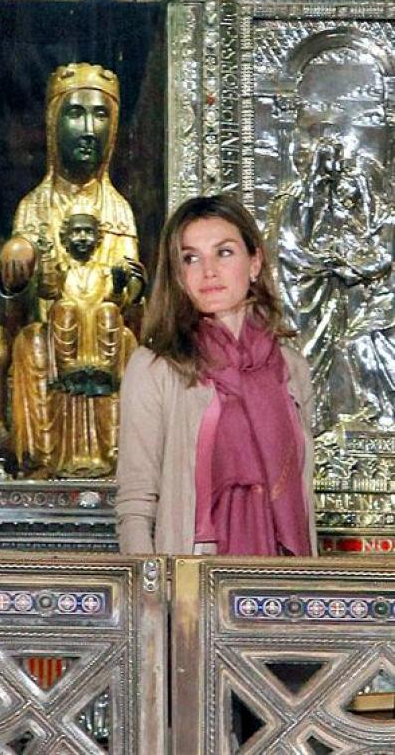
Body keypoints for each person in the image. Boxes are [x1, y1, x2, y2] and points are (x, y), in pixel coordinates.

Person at [116, 193, 316, 556]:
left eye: (224, 252)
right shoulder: (156, 366)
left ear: (254, 262)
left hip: (283, 575)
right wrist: (151, 596)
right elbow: (136, 501)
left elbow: (303, 495)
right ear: (178, 274)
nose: (208, 271)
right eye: (191, 258)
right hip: (194, 579)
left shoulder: (291, 367)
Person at [0, 62, 144, 478]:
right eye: (75, 113)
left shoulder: (119, 211)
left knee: (121, 336)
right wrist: (19, 270)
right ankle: (40, 460)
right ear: (53, 121)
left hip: (104, 334)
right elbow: (15, 309)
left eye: (101, 114)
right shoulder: (33, 207)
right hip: (52, 336)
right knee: (31, 344)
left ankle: (113, 458)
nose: (89, 128)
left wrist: (128, 287)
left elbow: (134, 298)